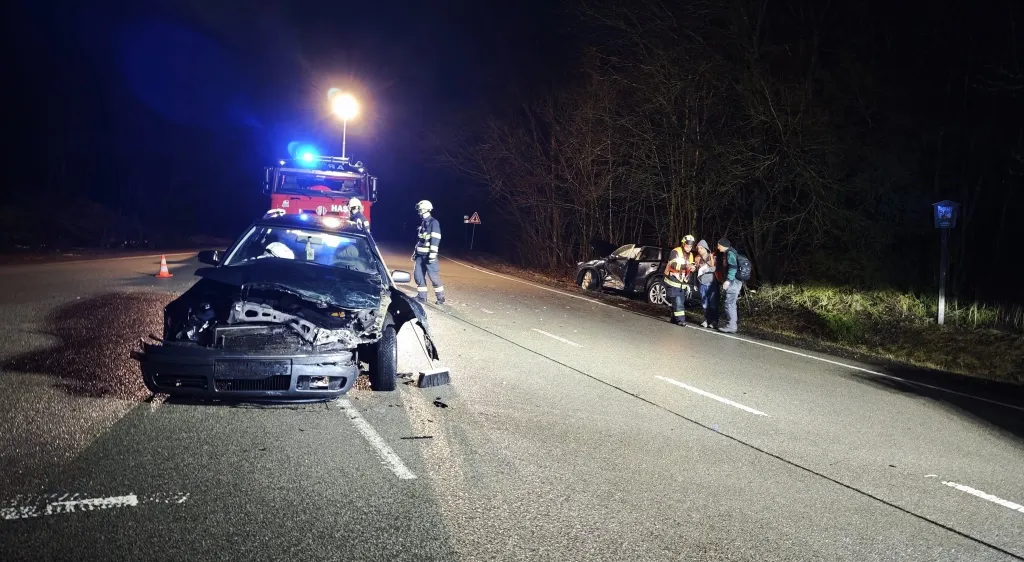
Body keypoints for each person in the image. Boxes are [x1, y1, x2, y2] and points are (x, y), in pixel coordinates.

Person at [412, 200, 445, 304]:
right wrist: (415, 252)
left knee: (433, 277)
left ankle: (441, 298)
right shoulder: (423, 223)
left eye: (420, 210)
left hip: (428, 256)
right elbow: (419, 240)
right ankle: (422, 297)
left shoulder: (433, 223)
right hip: (420, 256)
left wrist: (432, 254)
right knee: (418, 275)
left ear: (424, 209)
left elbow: (435, 239)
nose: (419, 212)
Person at [663, 234, 696, 325]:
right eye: (687, 245)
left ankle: (674, 318)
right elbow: (672, 264)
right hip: (673, 280)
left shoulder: (691, 255)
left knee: (679, 301)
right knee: (678, 301)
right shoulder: (675, 252)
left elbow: (692, 265)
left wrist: (693, 268)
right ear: (683, 244)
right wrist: (686, 266)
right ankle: (681, 320)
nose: (689, 248)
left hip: (682, 282)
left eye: (690, 246)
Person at [715, 238, 741, 333]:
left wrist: (728, 280)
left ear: (723, 245)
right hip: (735, 281)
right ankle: (731, 324)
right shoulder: (729, 253)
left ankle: (732, 326)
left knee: (730, 303)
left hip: (734, 282)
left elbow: (733, 267)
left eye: (719, 245)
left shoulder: (730, 253)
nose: (718, 247)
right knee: (730, 303)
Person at [695, 239, 718, 328]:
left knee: (712, 303)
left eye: (701, 248)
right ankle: (706, 320)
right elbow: (697, 272)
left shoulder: (711, 257)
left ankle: (714, 321)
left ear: (705, 248)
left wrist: (707, 269)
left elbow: (715, 268)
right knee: (704, 303)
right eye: (698, 248)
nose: (699, 249)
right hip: (702, 283)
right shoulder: (698, 258)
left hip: (711, 283)